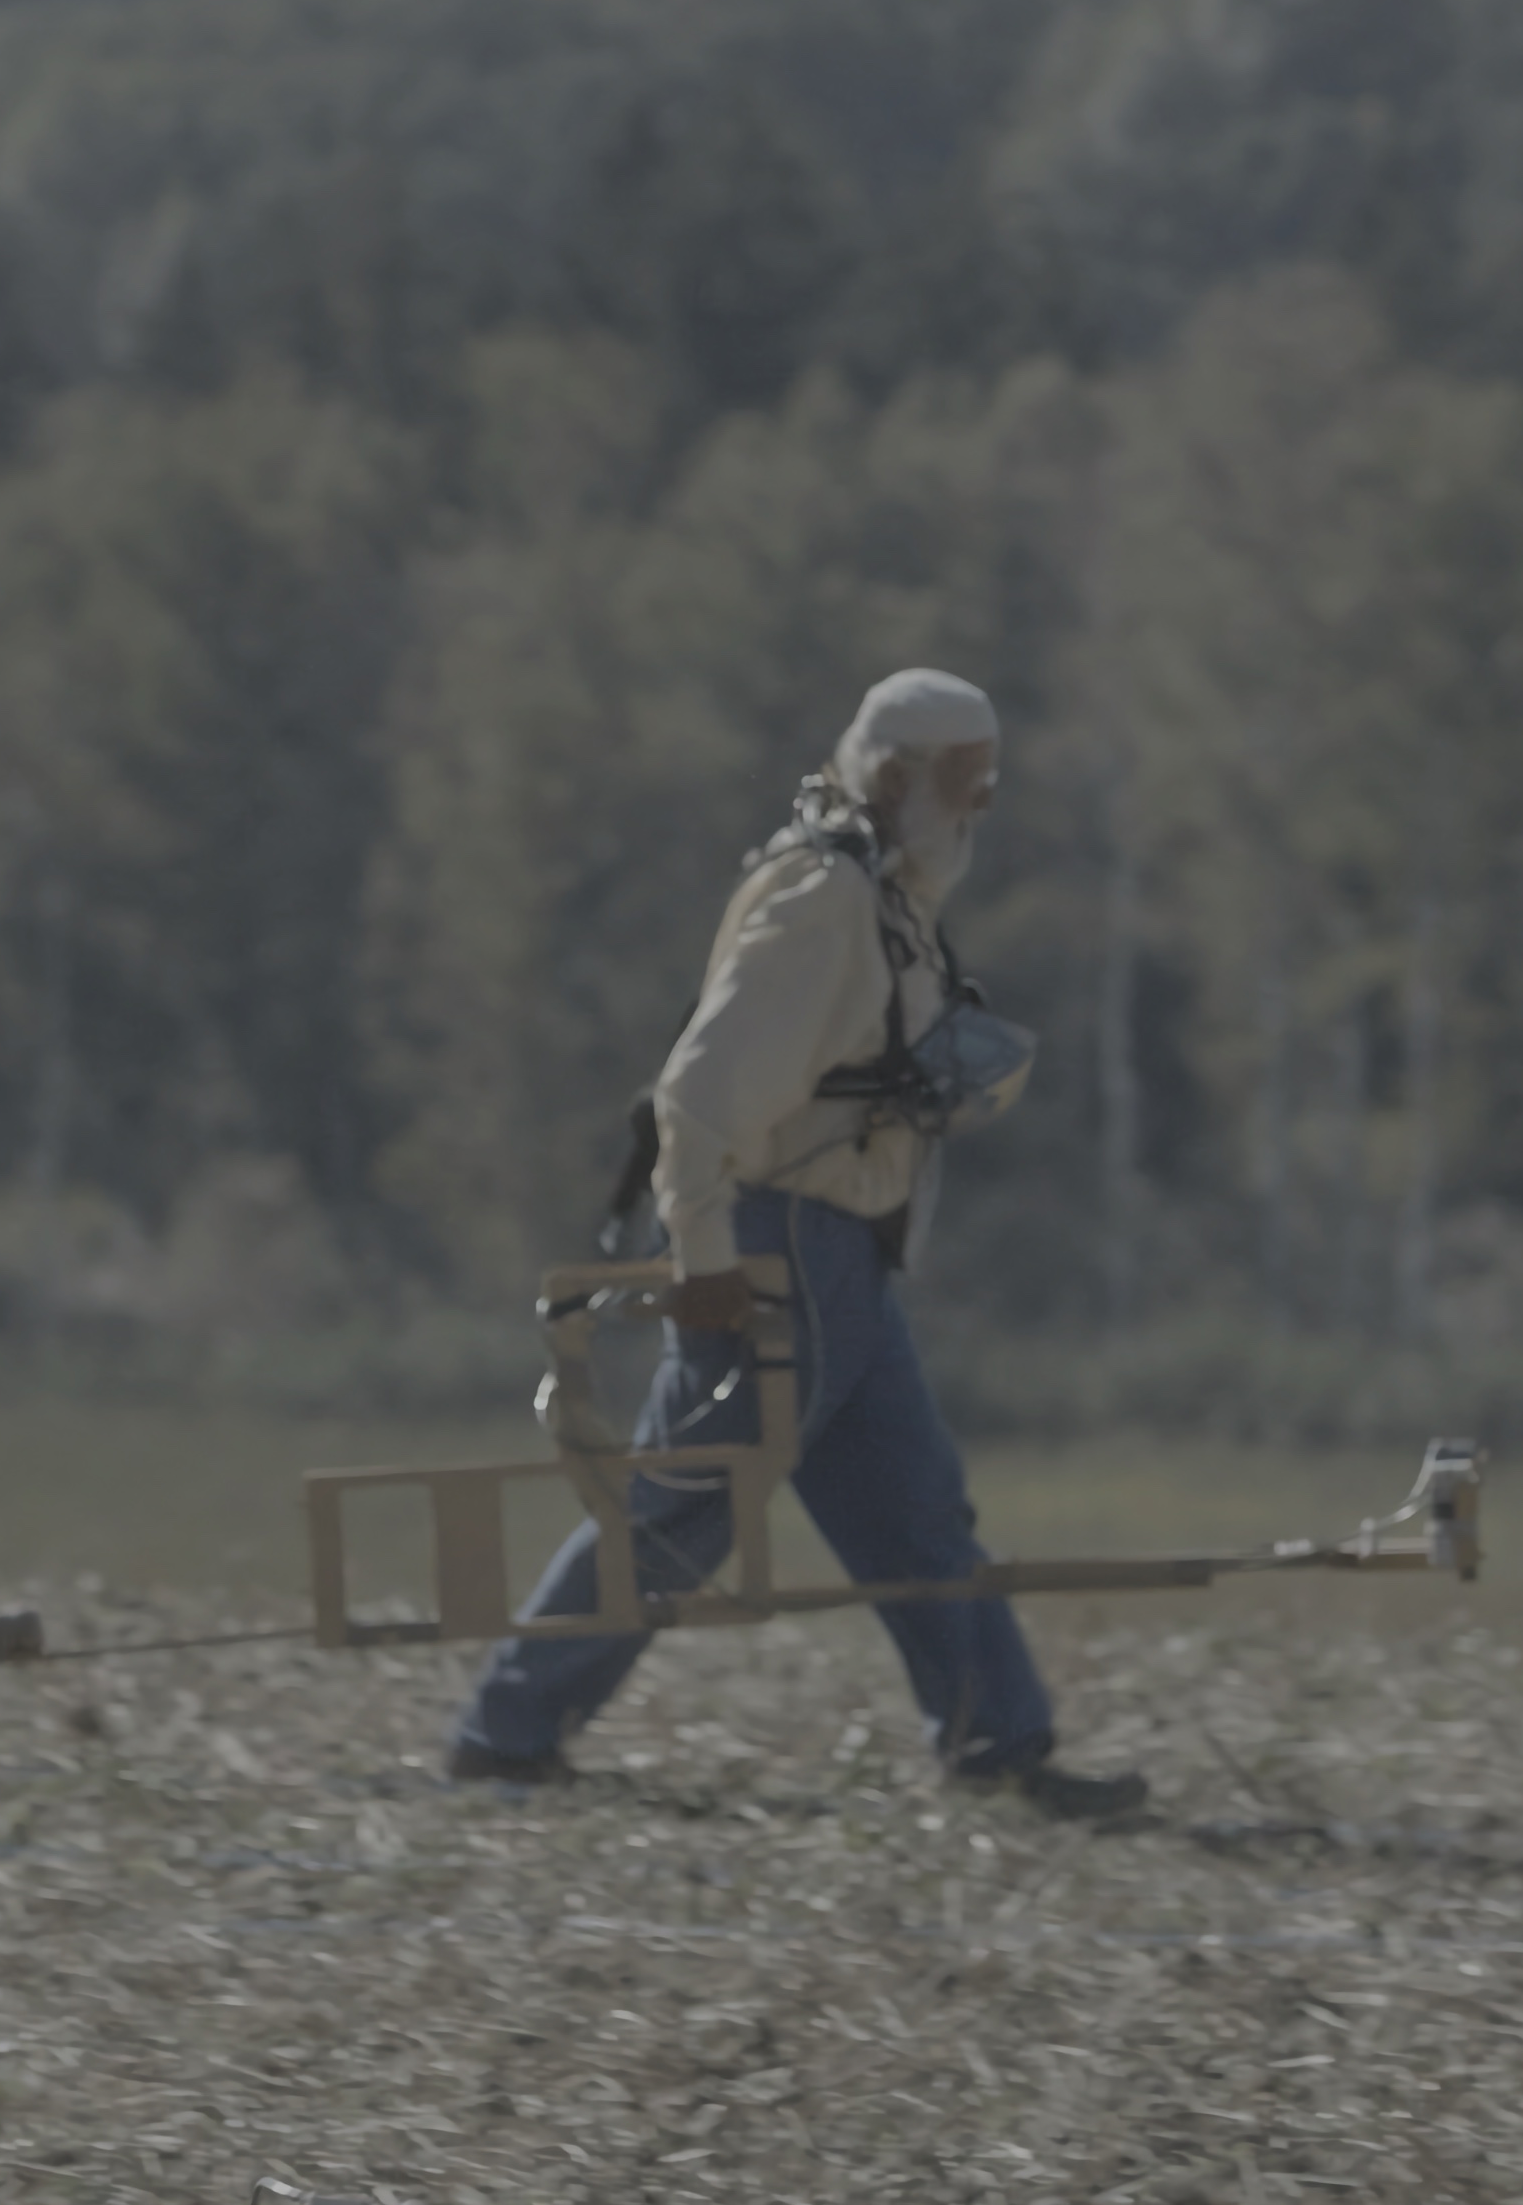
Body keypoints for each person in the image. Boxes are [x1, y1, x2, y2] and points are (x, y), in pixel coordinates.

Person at [447, 670, 1142, 1819]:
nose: (980, 806)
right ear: (891, 777)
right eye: (965, 784)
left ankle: (999, 1749)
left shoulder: (885, 892)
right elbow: (699, 1098)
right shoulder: (818, 900)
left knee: (918, 1511)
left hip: (844, 1264)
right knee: (676, 1511)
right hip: (781, 1262)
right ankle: (504, 1736)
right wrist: (706, 1261)